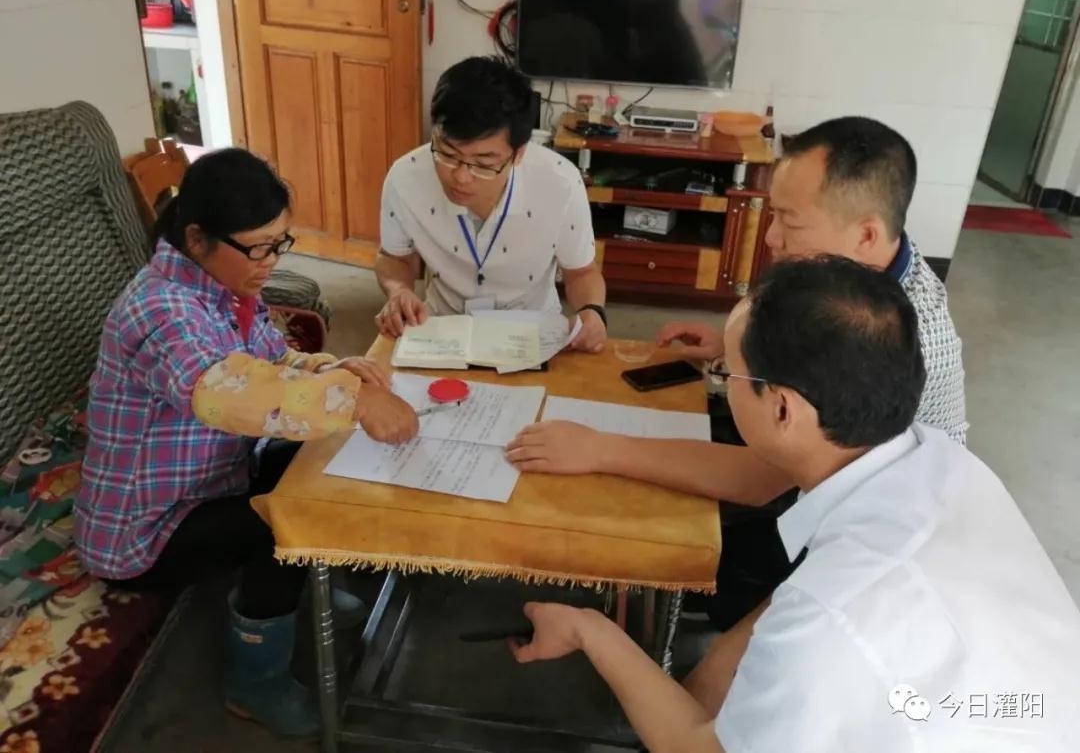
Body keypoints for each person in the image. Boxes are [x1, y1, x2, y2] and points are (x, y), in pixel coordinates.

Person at [511, 257, 1080, 753]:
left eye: (727, 373)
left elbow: (697, 749)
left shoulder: (829, 616)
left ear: (782, 409)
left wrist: (589, 629)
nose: (721, 381)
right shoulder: (940, 460)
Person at [506, 117, 967, 625]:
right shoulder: (872, 275)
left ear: (866, 234)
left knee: (673, 544)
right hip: (821, 476)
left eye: (790, 223)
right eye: (773, 214)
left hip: (866, 539)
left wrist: (598, 448)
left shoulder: (892, 338)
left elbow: (758, 479)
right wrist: (738, 355)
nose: (771, 238)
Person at [74, 149, 418, 738]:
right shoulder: (161, 310)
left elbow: (271, 362)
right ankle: (255, 686)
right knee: (276, 525)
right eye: (258, 248)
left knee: (313, 455)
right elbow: (226, 394)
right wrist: (351, 401)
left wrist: (333, 369)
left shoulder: (224, 286)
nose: (271, 262)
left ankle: (302, 585)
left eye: (279, 243)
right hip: (145, 530)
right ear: (197, 237)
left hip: (212, 480)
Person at [374, 56, 608, 352]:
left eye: (484, 164)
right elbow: (393, 258)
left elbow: (581, 272)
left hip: (532, 333)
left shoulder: (561, 183)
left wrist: (592, 311)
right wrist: (398, 290)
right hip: (442, 330)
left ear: (518, 153)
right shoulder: (405, 177)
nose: (461, 177)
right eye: (448, 154)